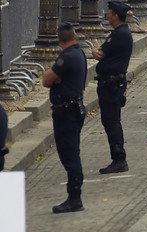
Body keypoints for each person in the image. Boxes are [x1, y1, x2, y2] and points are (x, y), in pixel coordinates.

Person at [43, 22, 88, 212]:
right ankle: (74, 195)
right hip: (74, 109)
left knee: (69, 155)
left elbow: (46, 80)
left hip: (66, 112)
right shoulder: (79, 53)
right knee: (72, 152)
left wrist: (55, 78)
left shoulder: (66, 57)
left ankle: (74, 198)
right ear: (75, 37)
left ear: (60, 39)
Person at [91, 1, 133, 174]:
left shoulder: (119, 34)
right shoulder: (119, 33)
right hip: (111, 84)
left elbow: (101, 53)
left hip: (111, 85)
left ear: (115, 15)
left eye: (109, 13)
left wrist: (96, 53)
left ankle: (118, 158)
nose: (107, 15)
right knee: (109, 121)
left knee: (111, 122)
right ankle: (117, 157)